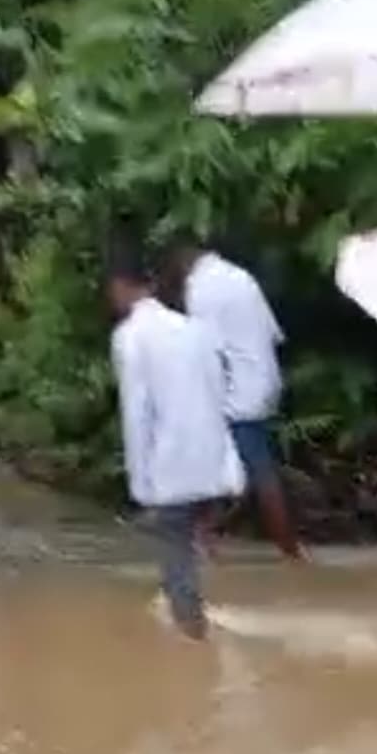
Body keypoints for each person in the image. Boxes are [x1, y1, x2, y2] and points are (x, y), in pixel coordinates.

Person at [108, 251, 244, 639]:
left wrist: (140, 482)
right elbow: (221, 397)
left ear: (119, 289)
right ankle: (188, 611)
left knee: (175, 553)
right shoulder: (197, 330)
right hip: (214, 463)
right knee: (189, 544)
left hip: (172, 466)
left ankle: (194, 636)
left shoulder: (130, 337)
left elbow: (137, 412)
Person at [163, 240, 304, 560]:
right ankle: (205, 537)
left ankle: (291, 553)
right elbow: (273, 334)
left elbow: (203, 350)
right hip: (263, 381)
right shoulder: (239, 277)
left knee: (258, 472)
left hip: (240, 393)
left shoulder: (201, 290)